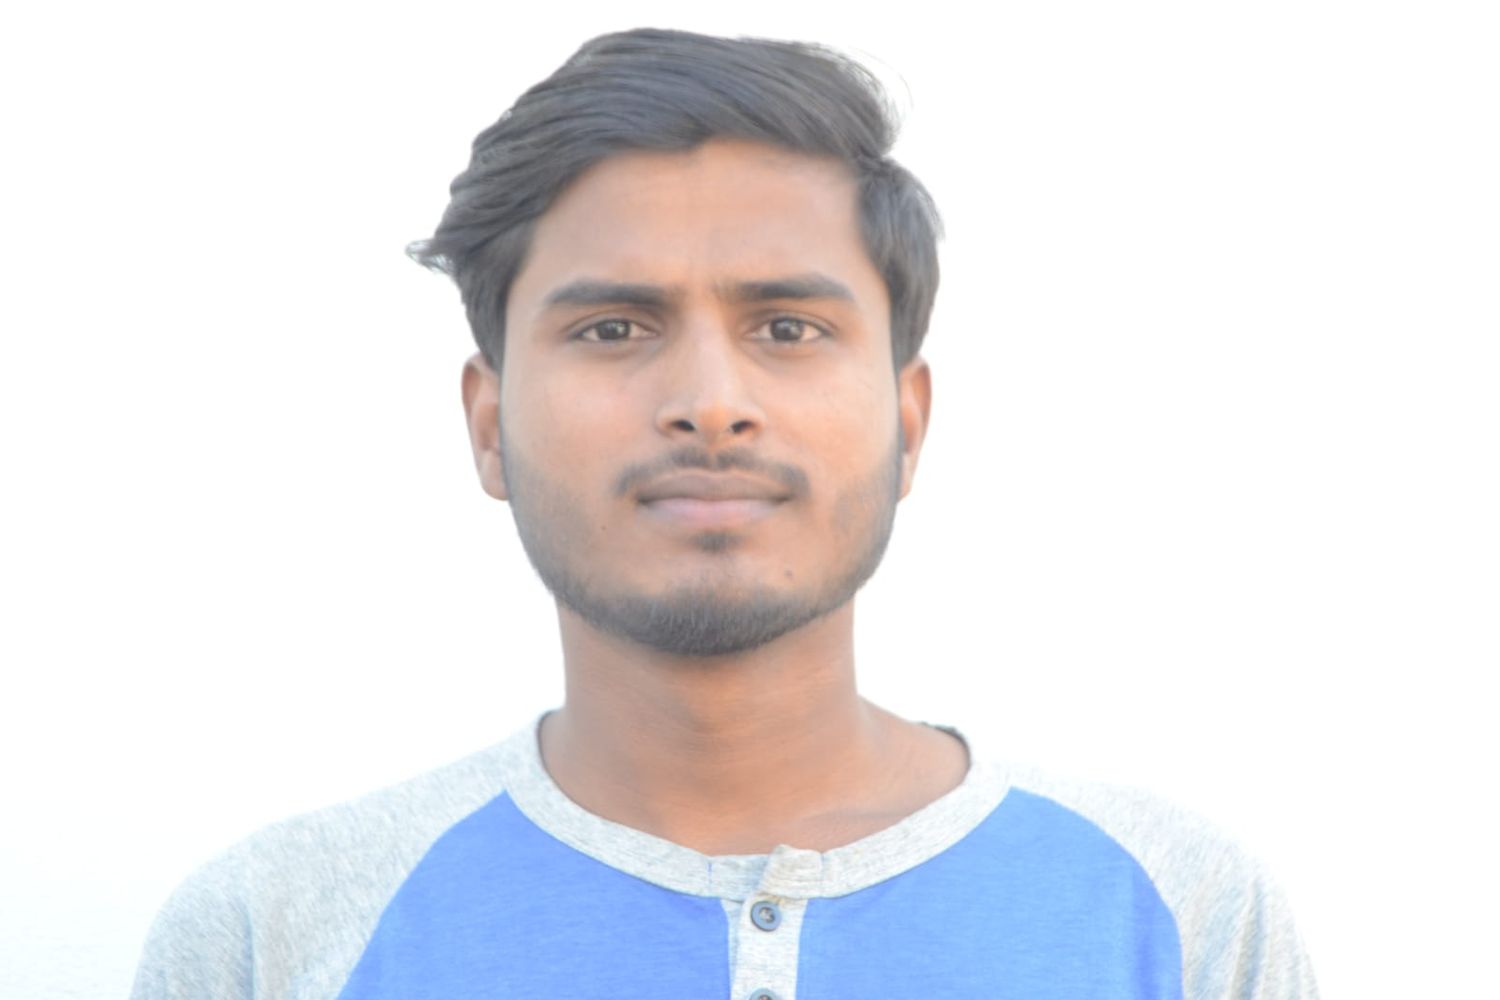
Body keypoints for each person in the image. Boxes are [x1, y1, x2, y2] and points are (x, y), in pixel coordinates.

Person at [131, 27, 1318, 1000]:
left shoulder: (1178, 914)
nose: (710, 401)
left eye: (788, 328)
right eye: (613, 328)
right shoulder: (271, 933)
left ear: (909, 419)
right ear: (488, 423)